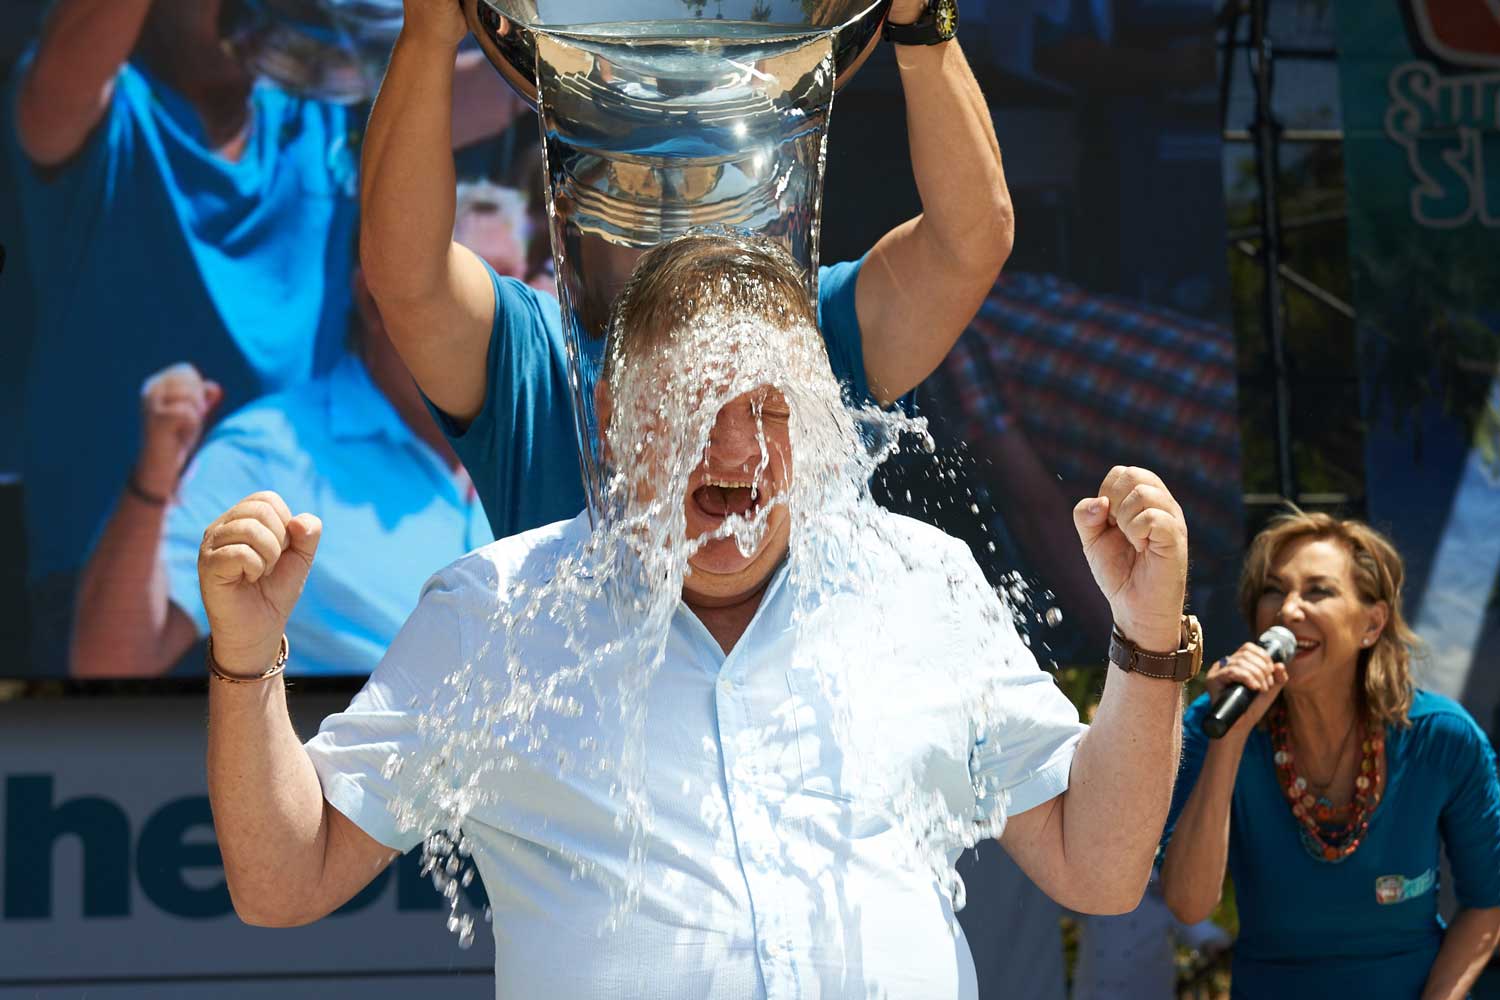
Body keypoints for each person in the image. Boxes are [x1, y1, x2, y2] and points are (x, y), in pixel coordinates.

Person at [198, 233, 1195, 997]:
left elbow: (1097, 867)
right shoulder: (497, 611)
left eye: (771, 408)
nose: (739, 448)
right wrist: (247, 660)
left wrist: (1148, 640)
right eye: (695, 398)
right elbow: (286, 879)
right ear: (611, 416)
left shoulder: (919, 582)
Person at [359, 0, 1017, 540]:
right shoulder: (530, 360)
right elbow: (405, 274)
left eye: (762, 408)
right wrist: (427, 35)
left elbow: (969, 245)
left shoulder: (807, 340)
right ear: (567, 192)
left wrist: (924, 27)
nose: (728, 447)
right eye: (639, 177)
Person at [6, 0, 520, 669]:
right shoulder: (110, 115)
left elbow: (506, 86)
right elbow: (63, 78)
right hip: (114, 592)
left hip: (284, 590)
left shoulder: (315, 115)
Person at [68, 182, 526, 678]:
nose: (494, 315)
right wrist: (153, 478)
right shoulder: (265, 454)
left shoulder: (561, 443)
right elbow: (112, 662)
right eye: (469, 285)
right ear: (373, 300)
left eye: (511, 287)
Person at [1159, 509, 1500, 998]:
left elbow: (1489, 906)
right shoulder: (1215, 725)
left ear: (1371, 624)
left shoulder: (1441, 738)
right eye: (1273, 591)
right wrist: (1229, 740)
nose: (1289, 611)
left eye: (1317, 591)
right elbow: (1189, 906)